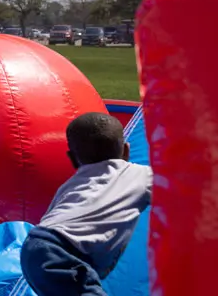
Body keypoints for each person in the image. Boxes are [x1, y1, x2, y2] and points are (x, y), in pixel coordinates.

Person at [20, 112, 152, 295]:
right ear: (126, 150)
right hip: (64, 253)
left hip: (35, 245)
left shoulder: (70, 186)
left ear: (73, 158)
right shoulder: (140, 175)